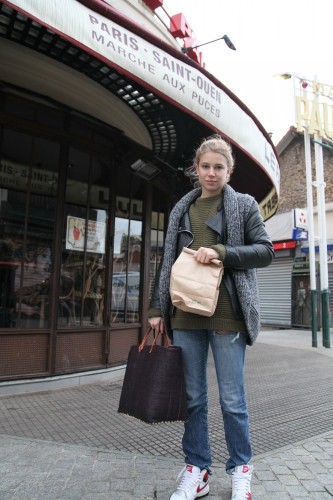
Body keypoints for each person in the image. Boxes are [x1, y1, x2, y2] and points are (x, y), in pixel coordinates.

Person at [148, 135, 274, 500]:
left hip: (227, 316)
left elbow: (264, 251)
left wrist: (222, 251)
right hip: (186, 314)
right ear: (196, 169)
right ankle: (197, 469)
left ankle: (240, 469)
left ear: (229, 171)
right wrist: (157, 308)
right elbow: (169, 262)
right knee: (193, 398)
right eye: (205, 166)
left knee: (232, 399)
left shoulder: (245, 206)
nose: (211, 173)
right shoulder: (181, 209)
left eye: (219, 167)